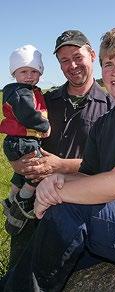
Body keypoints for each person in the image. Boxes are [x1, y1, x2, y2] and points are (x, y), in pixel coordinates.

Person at [2, 26, 115, 291]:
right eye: (108, 64)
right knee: (48, 246)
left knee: (66, 208)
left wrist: (56, 194)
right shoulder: (105, 122)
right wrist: (56, 180)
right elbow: (89, 174)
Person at [4, 30, 114, 268]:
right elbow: (18, 137)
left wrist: (61, 166)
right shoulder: (43, 101)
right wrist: (17, 163)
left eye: (77, 56)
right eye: (64, 60)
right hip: (32, 210)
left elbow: (112, 166)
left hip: (77, 211)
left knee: (67, 275)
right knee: (19, 271)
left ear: (92, 55)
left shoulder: (111, 107)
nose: (72, 65)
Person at [0, 44, 51, 235]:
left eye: (34, 71)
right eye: (23, 71)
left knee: (22, 173)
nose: (29, 75)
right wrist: (45, 126)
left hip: (21, 140)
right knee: (37, 172)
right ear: (14, 73)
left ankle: (11, 199)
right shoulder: (19, 91)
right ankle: (23, 200)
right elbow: (27, 115)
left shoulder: (28, 90)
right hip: (21, 141)